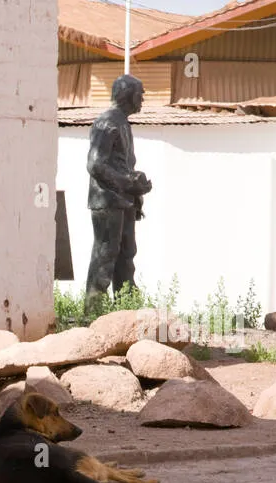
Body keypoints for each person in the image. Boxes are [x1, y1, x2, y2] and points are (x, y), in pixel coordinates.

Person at [85, 75, 152, 315]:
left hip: (123, 202)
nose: (143, 99)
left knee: (126, 255)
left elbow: (119, 164)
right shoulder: (107, 123)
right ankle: (93, 313)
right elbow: (95, 165)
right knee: (105, 256)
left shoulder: (122, 122)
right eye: (140, 93)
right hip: (107, 202)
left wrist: (136, 187)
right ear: (128, 95)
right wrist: (128, 182)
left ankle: (126, 310)